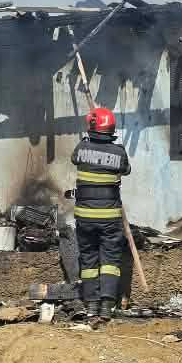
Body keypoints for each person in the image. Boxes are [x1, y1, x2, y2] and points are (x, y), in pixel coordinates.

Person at [69, 105, 130, 322]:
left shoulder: (82, 148)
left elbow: (74, 159)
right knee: (111, 261)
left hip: (84, 217)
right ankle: (106, 306)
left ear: (92, 126)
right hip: (110, 218)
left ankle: (91, 306)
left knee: (88, 260)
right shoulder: (119, 151)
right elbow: (126, 170)